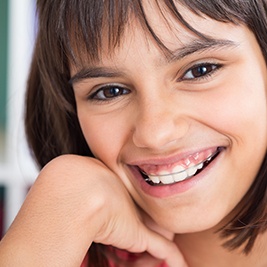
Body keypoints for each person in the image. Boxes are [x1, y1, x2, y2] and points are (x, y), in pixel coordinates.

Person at [1, 0, 267, 266]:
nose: (155, 134)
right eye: (110, 91)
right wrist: (59, 210)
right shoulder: (64, 247)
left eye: (200, 71)